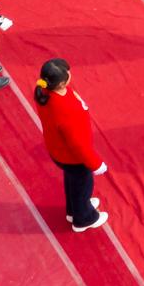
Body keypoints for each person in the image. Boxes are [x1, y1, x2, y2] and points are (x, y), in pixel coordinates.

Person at [34, 58, 107, 232]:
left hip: (58, 151)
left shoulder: (44, 93)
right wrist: (96, 164)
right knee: (83, 184)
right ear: (60, 83)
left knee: (72, 181)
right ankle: (83, 218)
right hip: (72, 157)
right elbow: (78, 144)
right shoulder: (66, 110)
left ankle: (73, 210)